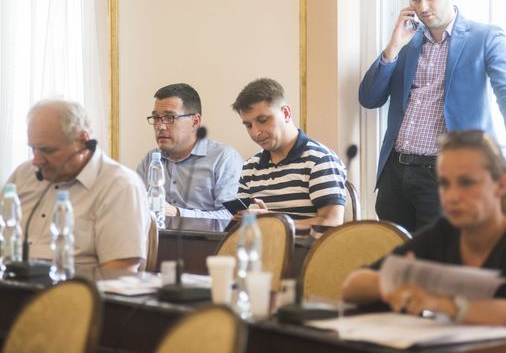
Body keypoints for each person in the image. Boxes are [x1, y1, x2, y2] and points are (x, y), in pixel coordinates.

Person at [359, 0, 506, 232]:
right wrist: (393, 46)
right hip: (395, 175)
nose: (423, 7)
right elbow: (369, 98)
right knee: (396, 255)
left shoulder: (485, 37)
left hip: (445, 176)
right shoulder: (406, 42)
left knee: (440, 256)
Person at [342, 130, 506, 350]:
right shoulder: (442, 234)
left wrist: (440, 302)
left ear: (501, 185)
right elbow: (352, 286)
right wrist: (397, 283)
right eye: (444, 184)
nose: (452, 196)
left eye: (466, 183)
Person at [6, 99, 149, 271]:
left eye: (47, 150)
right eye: (33, 149)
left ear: (82, 140)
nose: (36, 161)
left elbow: (118, 273)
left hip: (74, 286)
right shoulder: (24, 174)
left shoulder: (120, 186)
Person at [232, 78, 346, 227]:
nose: (255, 132)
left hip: (303, 243)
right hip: (259, 241)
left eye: (263, 120)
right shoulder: (250, 166)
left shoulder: (320, 160)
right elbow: (243, 224)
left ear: (286, 113)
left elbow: (331, 222)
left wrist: (274, 223)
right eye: (248, 125)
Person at [137, 83, 243, 226]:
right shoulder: (150, 160)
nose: (160, 126)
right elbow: (134, 208)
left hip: (207, 241)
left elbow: (232, 218)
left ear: (195, 122)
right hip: (157, 240)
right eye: (156, 118)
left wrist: (177, 213)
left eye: (170, 117)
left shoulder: (223, 158)